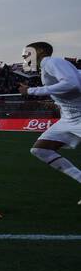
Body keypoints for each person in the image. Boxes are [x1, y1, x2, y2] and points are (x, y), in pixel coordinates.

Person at [19, 40, 81, 202]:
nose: (24, 56)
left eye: (27, 52)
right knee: (40, 150)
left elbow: (72, 84)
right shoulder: (49, 66)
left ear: (39, 51)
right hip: (68, 118)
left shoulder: (51, 62)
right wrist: (56, 103)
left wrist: (32, 91)